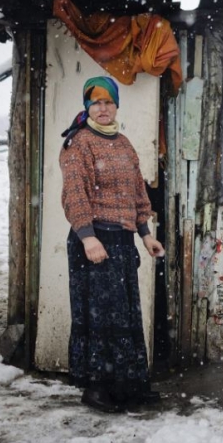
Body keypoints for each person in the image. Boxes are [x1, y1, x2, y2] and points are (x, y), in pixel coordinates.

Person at [59, 76, 165, 413]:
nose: (102, 109)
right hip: (92, 243)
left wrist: (146, 233)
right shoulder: (80, 144)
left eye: (108, 102)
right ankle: (97, 387)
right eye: (96, 102)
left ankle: (127, 385)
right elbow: (75, 195)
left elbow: (137, 192)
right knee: (98, 317)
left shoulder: (123, 144)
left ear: (116, 105)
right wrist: (88, 237)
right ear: (87, 106)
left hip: (120, 243)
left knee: (125, 315)